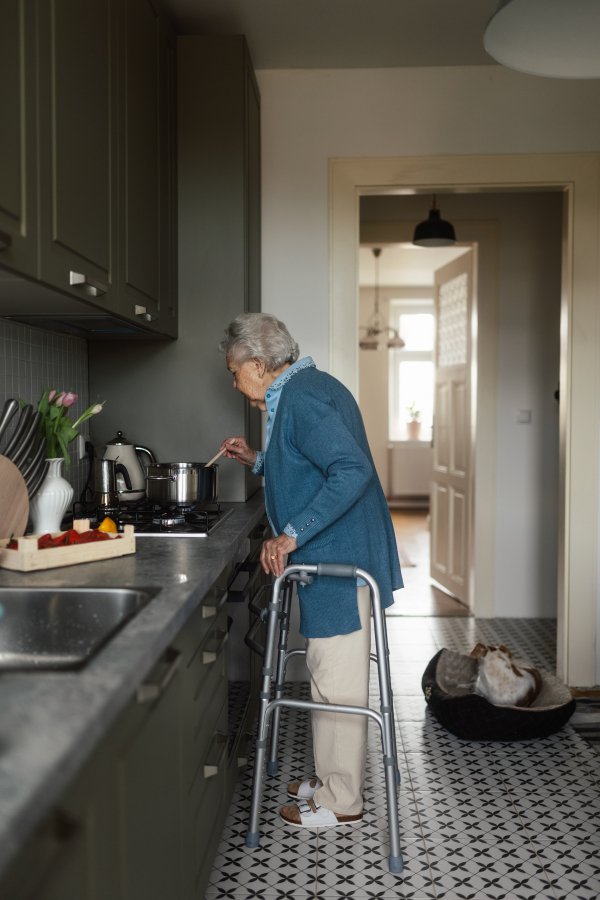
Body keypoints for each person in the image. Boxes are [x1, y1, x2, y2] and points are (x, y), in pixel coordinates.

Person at [219, 312, 402, 830]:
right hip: (335, 555)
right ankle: (330, 781)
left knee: (336, 676)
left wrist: (291, 533)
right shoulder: (303, 391)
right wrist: (258, 459)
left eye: (235, 371)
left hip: (340, 560)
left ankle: (342, 800)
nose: (233, 383)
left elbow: (352, 469)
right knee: (326, 671)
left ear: (258, 364)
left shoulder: (300, 399)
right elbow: (310, 463)